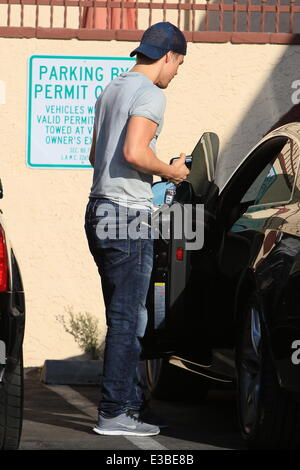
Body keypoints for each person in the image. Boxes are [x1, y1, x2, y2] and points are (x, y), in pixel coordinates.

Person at [84, 21, 189, 437]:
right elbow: (133, 151)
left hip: (99, 209)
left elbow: (98, 154)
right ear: (169, 57)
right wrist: (171, 171)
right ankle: (114, 412)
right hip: (126, 216)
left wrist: (149, 171)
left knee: (127, 315)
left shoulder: (112, 88)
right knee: (130, 318)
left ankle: (130, 405)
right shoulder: (150, 94)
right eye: (178, 64)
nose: (176, 73)